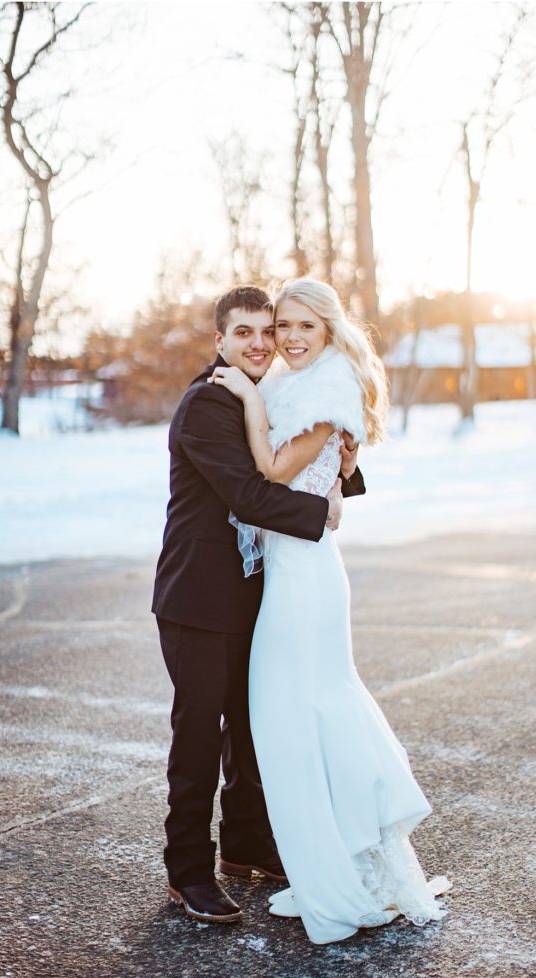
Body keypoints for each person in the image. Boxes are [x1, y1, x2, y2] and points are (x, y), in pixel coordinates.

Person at [210, 278, 451, 945]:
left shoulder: (320, 390)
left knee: (298, 721)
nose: (287, 337)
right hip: (297, 571)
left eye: (302, 328)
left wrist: (247, 397)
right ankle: (341, 867)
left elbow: (270, 473)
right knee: (302, 724)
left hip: (304, 582)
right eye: (282, 325)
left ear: (329, 331)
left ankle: (343, 876)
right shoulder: (301, 384)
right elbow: (320, 473)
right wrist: (335, 479)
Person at [151, 285, 366, 925]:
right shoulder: (206, 406)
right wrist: (321, 510)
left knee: (249, 727)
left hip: (250, 591)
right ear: (220, 341)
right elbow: (248, 494)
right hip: (198, 596)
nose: (259, 343)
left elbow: (293, 449)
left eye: (265, 333)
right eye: (243, 333)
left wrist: (345, 468)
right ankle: (188, 868)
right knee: (199, 733)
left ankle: (244, 846)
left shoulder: (260, 394)